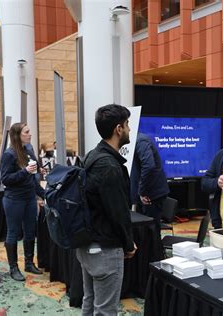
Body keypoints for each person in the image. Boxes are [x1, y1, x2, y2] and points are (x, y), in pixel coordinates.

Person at [76, 104, 137, 315]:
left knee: (90, 301)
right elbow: (118, 213)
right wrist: (128, 244)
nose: (130, 129)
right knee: (105, 310)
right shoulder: (109, 166)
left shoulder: (93, 156)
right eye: (127, 124)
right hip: (105, 249)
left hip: (87, 244)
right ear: (118, 129)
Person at [0, 123, 45, 281]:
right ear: (17, 135)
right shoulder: (9, 154)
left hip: (29, 198)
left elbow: (32, 179)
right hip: (14, 199)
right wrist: (24, 171)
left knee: (30, 230)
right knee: (13, 232)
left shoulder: (29, 150)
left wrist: (43, 194)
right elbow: (6, 179)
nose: (30, 134)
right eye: (26, 132)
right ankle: (13, 267)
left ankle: (28, 263)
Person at [130, 132, 169, 229]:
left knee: (152, 233)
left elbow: (148, 166)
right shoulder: (135, 141)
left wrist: (142, 192)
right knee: (144, 232)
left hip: (150, 196)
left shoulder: (140, 141)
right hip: (145, 195)